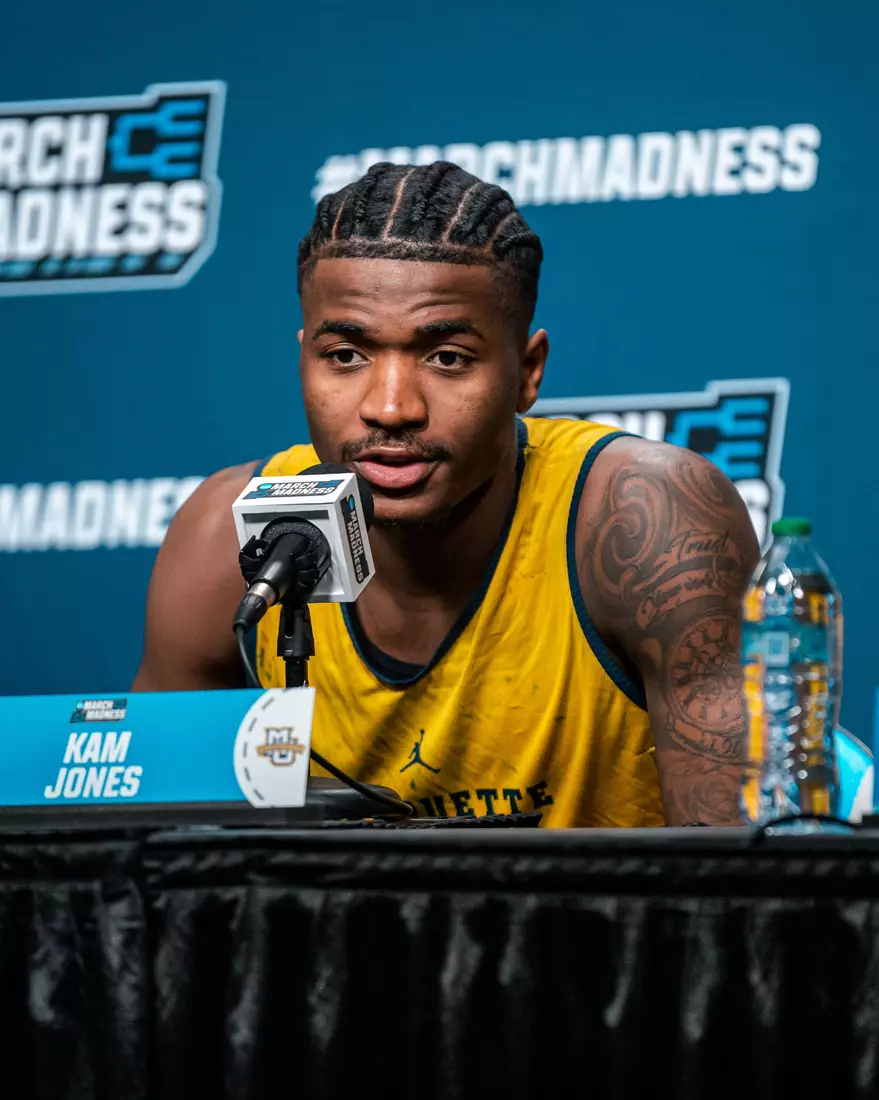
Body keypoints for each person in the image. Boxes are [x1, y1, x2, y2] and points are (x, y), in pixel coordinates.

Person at [133, 161, 759, 828]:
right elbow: (145, 878)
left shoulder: (644, 519)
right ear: (302, 359)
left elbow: (738, 885)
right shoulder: (225, 540)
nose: (391, 407)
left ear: (527, 372)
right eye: (346, 355)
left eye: (447, 358)